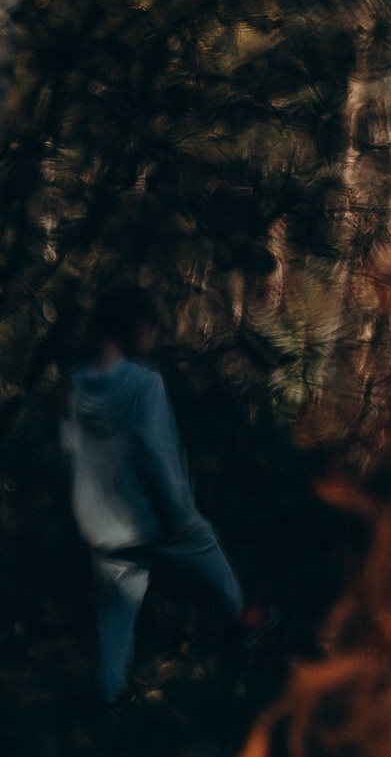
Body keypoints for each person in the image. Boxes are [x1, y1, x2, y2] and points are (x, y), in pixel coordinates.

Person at [61, 285, 274, 707]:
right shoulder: (144, 385)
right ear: (139, 326)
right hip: (154, 519)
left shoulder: (76, 386)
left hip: (102, 526)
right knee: (206, 544)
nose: (155, 337)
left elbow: (73, 454)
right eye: (154, 328)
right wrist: (178, 515)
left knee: (115, 618)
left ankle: (108, 699)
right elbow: (158, 458)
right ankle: (241, 621)